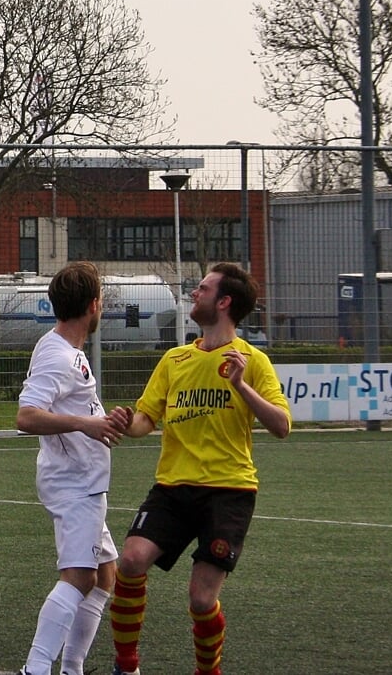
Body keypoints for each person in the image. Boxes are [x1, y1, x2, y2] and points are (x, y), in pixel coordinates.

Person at [105, 262, 290, 675]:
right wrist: (124, 421)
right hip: (172, 487)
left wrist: (241, 386)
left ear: (224, 302)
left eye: (202, 289)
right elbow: (145, 420)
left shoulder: (253, 361)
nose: (194, 293)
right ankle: (127, 667)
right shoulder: (174, 359)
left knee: (201, 600)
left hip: (229, 492)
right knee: (131, 560)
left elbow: (281, 426)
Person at [15, 262, 123, 675]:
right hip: (73, 482)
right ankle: (36, 669)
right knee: (79, 577)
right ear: (94, 306)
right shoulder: (59, 355)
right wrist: (86, 423)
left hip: (85, 480)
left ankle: (72, 668)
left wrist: (104, 420)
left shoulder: (63, 349)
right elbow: (26, 417)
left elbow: (75, 408)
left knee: (103, 577)